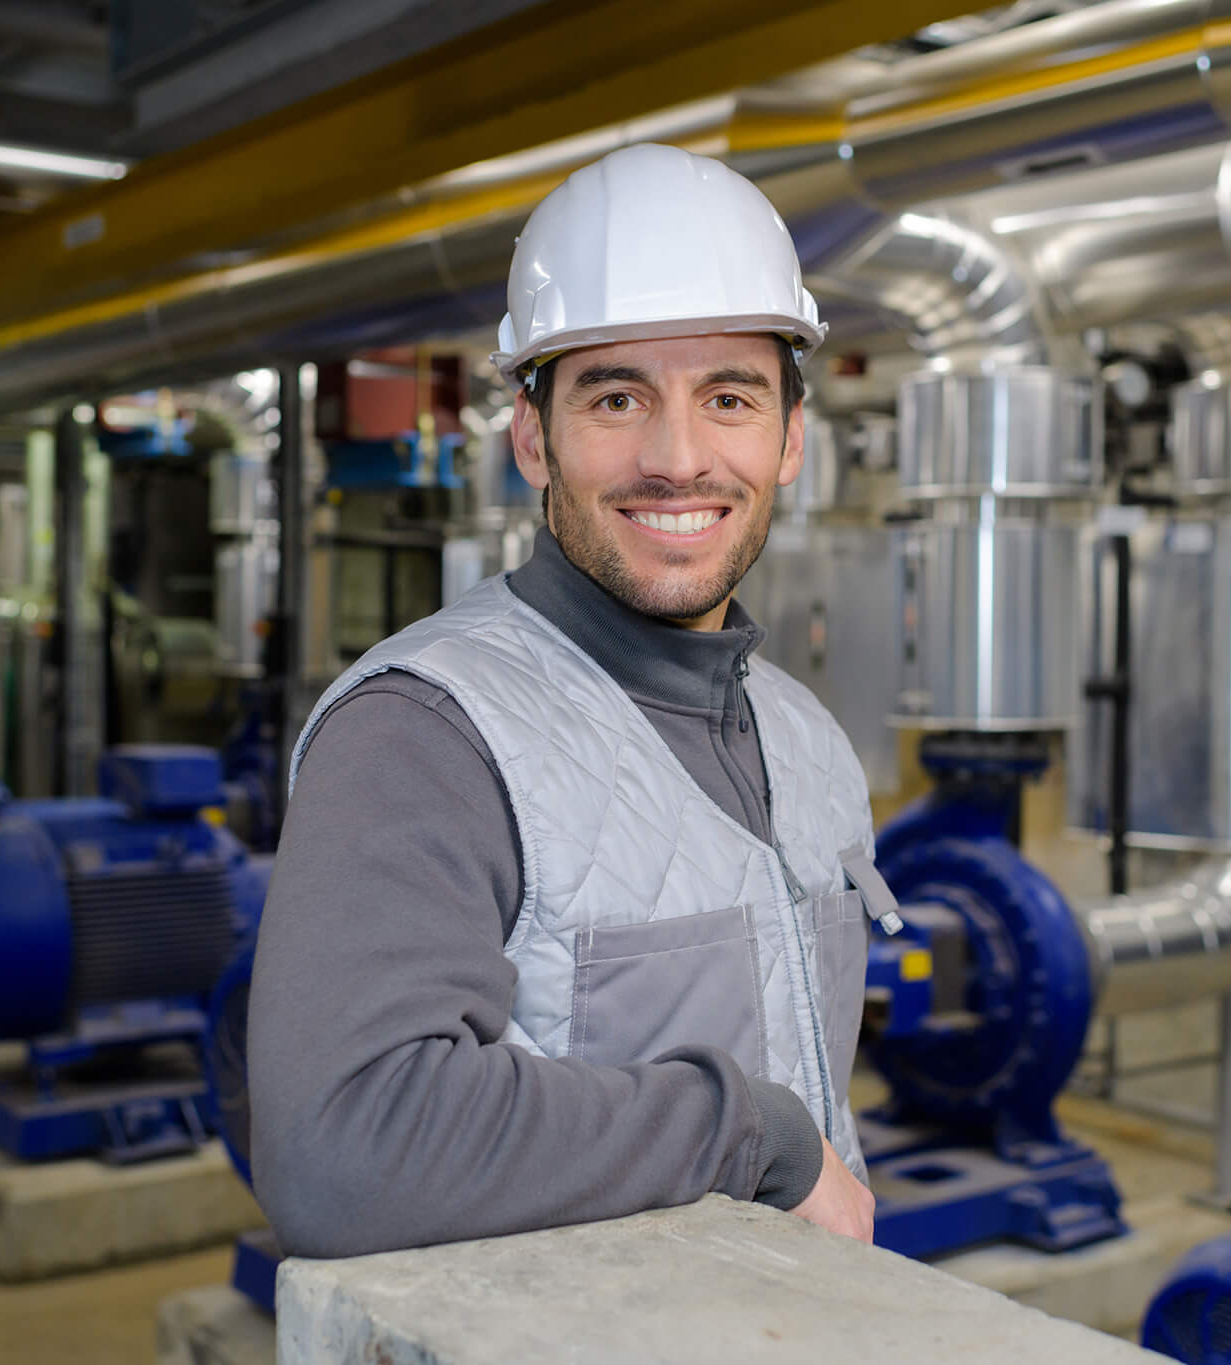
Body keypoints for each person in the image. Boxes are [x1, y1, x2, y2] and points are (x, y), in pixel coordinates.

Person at [246, 142, 896, 1259]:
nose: (676, 457)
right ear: (532, 438)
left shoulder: (810, 741)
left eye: (728, 397)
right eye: (616, 397)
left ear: (790, 438)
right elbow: (341, 1146)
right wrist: (751, 1136)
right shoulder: (428, 734)